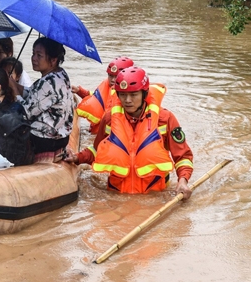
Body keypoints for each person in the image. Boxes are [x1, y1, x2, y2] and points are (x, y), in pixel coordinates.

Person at [64, 67, 194, 197]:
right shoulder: (110, 119)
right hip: (117, 195)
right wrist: (77, 157)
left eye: (133, 95)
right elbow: (98, 150)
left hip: (154, 195)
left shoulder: (165, 119)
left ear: (145, 94)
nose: (127, 100)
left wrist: (182, 181)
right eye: (123, 94)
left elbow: (183, 156)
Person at [18, 37, 76, 163]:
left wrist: (14, 97)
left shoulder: (48, 82)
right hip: (61, 137)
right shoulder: (61, 74)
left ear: (53, 60)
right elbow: (36, 95)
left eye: (39, 55)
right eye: (33, 53)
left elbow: (25, 113)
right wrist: (14, 86)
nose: (34, 58)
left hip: (45, 140)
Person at [73, 56, 134, 134]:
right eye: (111, 76)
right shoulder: (106, 86)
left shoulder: (130, 98)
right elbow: (96, 98)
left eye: (116, 76)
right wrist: (79, 91)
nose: (112, 80)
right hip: (98, 133)